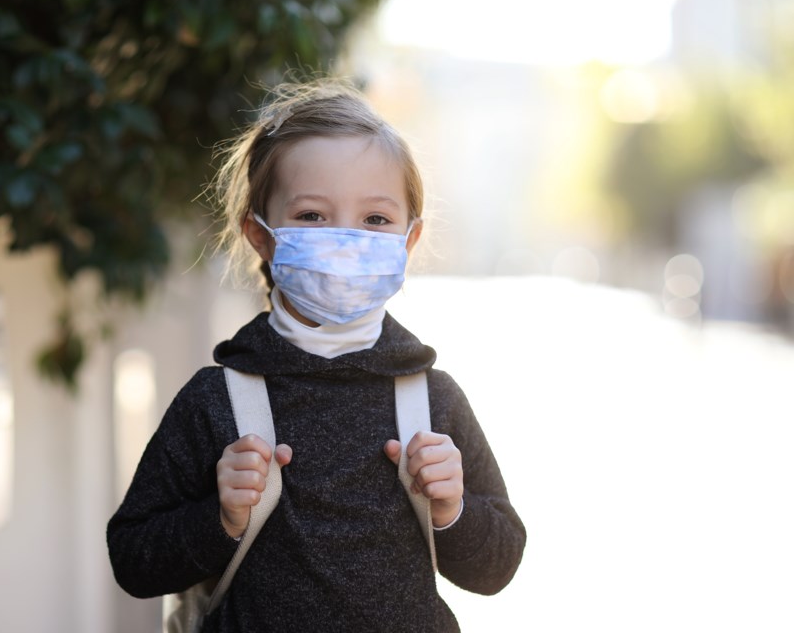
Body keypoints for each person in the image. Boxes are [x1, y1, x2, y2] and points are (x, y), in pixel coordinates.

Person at [107, 79, 526, 632]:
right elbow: (134, 559)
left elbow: (496, 566)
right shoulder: (217, 400)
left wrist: (452, 510)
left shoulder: (432, 399)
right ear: (261, 235)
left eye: (375, 219)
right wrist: (221, 518)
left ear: (409, 239)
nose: (345, 239)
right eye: (311, 216)